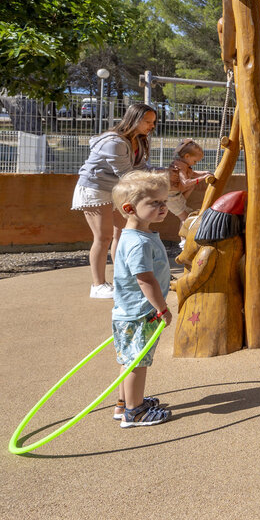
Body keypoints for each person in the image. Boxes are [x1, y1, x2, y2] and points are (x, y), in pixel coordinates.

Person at [71, 103, 157, 300]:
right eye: (148, 122)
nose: (151, 126)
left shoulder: (140, 140)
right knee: (103, 237)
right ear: (133, 119)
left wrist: (167, 172)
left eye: (153, 122)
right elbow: (127, 174)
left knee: (123, 232)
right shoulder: (114, 142)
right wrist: (156, 179)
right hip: (95, 187)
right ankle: (98, 285)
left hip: (117, 189)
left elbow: (142, 168)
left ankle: (122, 278)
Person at [109, 170, 174, 427]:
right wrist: (162, 308)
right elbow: (145, 279)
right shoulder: (139, 243)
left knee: (129, 358)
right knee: (138, 361)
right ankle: (135, 412)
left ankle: (123, 404)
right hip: (141, 312)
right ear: (130, 208)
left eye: (164, 201)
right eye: (154, 203)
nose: (163, 207)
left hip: (129, 310)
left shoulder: (133, 236)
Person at [167, 139, 212, 225]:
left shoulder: (184, 165)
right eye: (195, 161)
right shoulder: (179, 166)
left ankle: (182, 201)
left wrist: (205, 173)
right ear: (187, 156)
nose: (195, 164)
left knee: (188, 215)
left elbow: (193, 174)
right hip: (171, 197)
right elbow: (186, 182)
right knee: (185, 218)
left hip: (176, 195)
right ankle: (184, 238)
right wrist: (202, 178)